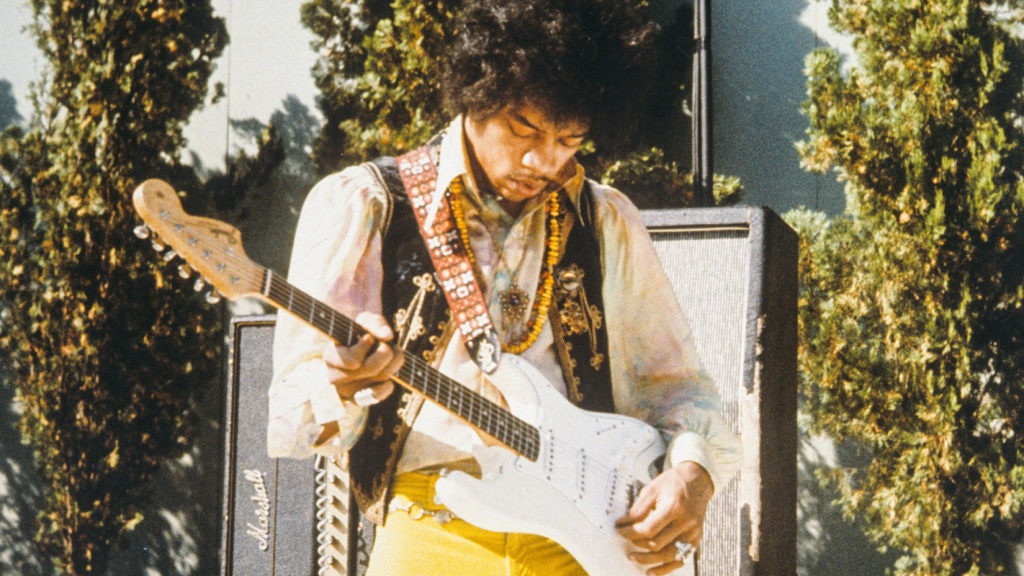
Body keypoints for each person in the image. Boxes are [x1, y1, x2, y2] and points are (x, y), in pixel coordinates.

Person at [268, 0, 742, 574]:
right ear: (478, 94)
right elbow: (290, 420)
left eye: (570, 140)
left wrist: (693, 475)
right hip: (430, 524)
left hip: (586, 540)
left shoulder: (606, 218)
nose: (544, 160)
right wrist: (340, 381)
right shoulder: (367, 204)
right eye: (525, 129)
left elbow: (679, 389)